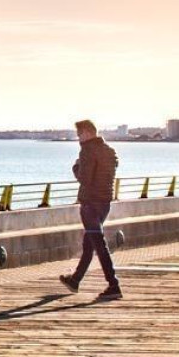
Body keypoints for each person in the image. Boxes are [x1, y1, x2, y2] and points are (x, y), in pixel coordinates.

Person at [61, 119, 122, 300]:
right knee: (89, 244)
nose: (79, 138)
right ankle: (75, 280)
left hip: (90, 204)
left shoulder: (87, 150)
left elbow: (84, 178)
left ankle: (113, 284)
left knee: (99, 243)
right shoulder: (109, 151)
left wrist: (76, 166)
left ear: (87, 132)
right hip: (104, 203)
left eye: (79, 134)